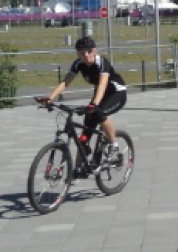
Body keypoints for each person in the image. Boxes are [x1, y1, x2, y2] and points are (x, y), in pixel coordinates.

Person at [39, 37, 126, 177]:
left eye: (89, 51)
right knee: (85, 133)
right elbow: (65, 82)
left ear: (95, 51)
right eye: (81, 53)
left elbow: (103, 84)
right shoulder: (78, 64)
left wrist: (94, 104)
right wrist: (50, 98)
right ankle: (78, 169)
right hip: (100, 95)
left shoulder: (101, 62)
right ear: (77, 54)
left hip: (116, 93)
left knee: (98, 114)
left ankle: (114, 145)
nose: (86, 55)